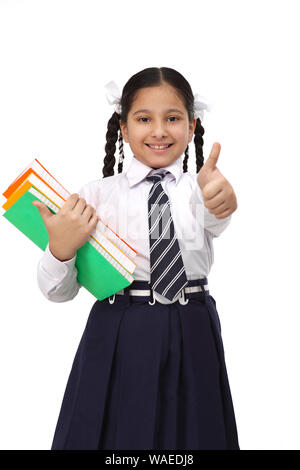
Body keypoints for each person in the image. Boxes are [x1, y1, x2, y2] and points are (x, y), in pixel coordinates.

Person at [33, 66, 239, 450]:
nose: (159, 131)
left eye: (173, 119)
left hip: (191, 322)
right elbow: (55, 291)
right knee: (113, 434)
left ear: (192, 128)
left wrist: (221, 200)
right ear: (123, 129)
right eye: (144, 119)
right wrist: (61, 247)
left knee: (195, 432)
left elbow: (217, 216)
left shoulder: (202, 189)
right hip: (118, 327)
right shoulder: (94, 197)